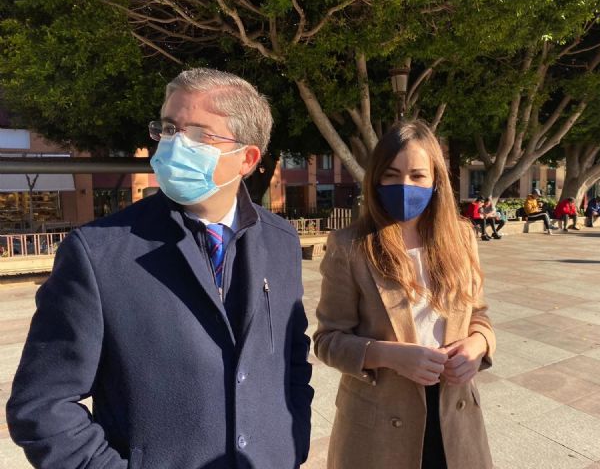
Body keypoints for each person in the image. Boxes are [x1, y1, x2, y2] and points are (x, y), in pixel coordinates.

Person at [7, 68, 313, 469]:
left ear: (247, 158)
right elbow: (42, 406)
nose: (175, 145)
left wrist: (292, 443)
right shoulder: (98, 253)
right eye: (169, 128)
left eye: (200, 134)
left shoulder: (281, 241)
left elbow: (292, 357)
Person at [314, 120, 495, 469]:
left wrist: (477, 345)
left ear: (436, 181)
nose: (405, 185)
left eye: (417, 175)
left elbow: (479, 316)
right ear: (376, 179)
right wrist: (388, 355)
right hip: (379, 427)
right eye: (392, 175)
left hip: (455, 420)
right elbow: (328, 341)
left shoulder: (461, 237)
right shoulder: (349, 246)